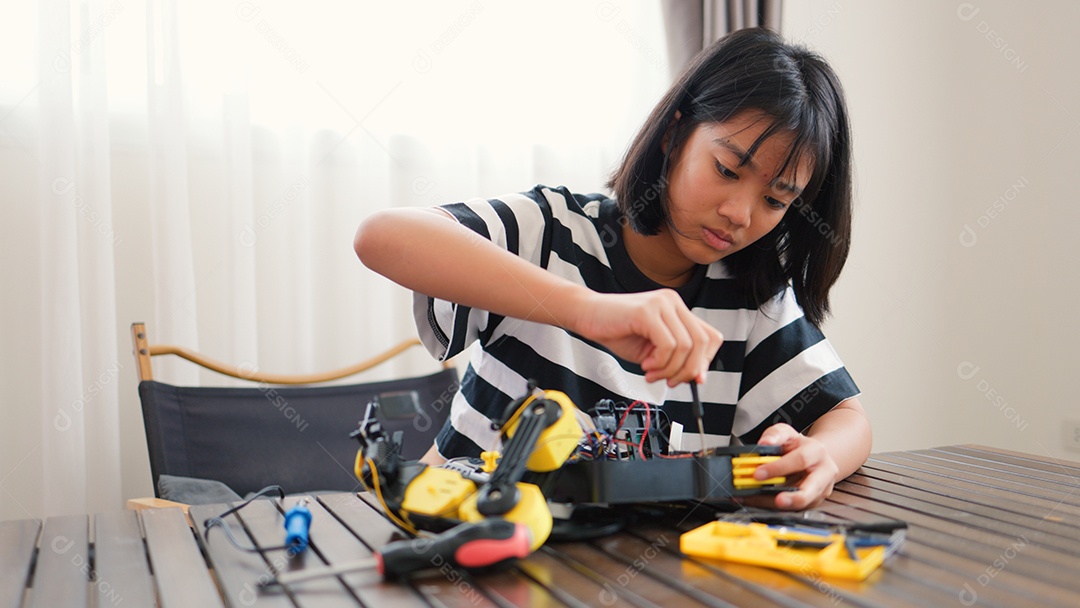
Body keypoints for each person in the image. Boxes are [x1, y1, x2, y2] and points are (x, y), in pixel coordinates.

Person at [354, 28, 871, 510]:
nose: (740, 213)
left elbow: (848, 420)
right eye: (726, 170)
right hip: (464, 535)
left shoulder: (750, 299)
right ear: (674, 135)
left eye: (776, 200)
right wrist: (588, 311)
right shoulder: (553, 231)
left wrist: (819, 454)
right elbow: (381, 237)